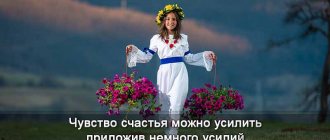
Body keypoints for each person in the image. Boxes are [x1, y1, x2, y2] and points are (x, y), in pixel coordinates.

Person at [126, 4, 216, 135]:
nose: (171, 22)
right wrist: (133, 50)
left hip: (180, 73)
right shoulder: (156, 39)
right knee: (165, 109)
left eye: (174, 19)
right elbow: (146, 57)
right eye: (168, 19)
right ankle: (166, 134)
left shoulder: (183, 38)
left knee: (176, 106)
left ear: (177, 22)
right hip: (164, 73)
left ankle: (173, 135)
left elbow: (189, 58)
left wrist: (206, 55)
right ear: (163, 21)